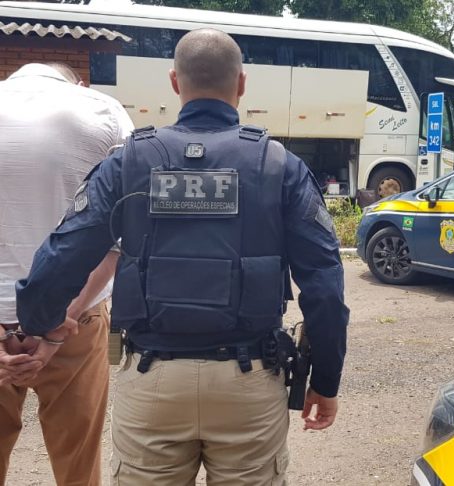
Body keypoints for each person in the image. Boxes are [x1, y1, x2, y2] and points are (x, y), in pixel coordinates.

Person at [16, 29, 349, 485]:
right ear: (242, 83)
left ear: (175, 82)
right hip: (249, 383)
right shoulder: (280, 165)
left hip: (152, 380)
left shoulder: (127, 162)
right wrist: (325, 382)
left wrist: (39, 323)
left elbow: (65, 252)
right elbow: (325, 286)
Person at [0, 62, 133, 485]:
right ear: (78, 82)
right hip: (77, 320)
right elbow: (120, 234)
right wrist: (62, 321)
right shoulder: (104, 111)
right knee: (79, 465)